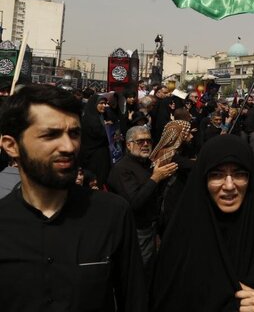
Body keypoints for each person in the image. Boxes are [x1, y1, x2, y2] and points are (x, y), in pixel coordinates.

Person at [0, 85, 147, 311]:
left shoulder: (112, 214)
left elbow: (134, 301)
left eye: (74, 134)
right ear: (11, 146)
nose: (68, 147)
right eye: (50, 135)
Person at [150, 134, 254, 312]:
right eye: (217, 175)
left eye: (239, 174)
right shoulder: (182, 238)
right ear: (204, 179)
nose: (229, 185)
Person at [107, 125, 178, 271]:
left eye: (148, 141)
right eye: (140, 141)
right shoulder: (122, 169)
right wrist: (155, 178)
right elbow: (135, 202)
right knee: (140, 270)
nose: (146, 144)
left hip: (151, 227)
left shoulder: (147, 164)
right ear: (128, 145)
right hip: (137, 231)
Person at [78, 93, 112, 187]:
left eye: (105, 103)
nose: (104, 106)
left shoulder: (100, 116)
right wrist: (108, 129)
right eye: (101, 103)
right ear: (94, 104)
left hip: (101, 155)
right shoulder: (90, 119)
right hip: (93, 157)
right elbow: (98, 135)